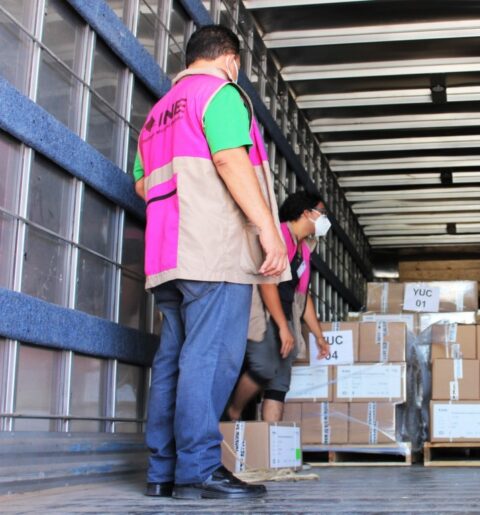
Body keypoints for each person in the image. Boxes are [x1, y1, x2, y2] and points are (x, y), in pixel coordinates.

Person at [133, 25, 289, 500]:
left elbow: (142, 184)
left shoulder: (157, 115)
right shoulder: (220, 94)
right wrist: (267, 228)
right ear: (231, 60)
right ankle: (199, 469)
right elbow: (229, 160)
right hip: (212, 250)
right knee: (211, 357)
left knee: (173, 361)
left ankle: (162, 471)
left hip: (167, 254)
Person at [227, 192, 332, 423]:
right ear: (306, 213)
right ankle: (232, 411)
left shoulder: (304, 248)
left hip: (286, 316)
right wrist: (283, 328)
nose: (326, 219)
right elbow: (267, 284)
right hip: (264, 315)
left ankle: (271, 439)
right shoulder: (280, 236)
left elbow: (302, 297)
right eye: (322, 213)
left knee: (280, 382)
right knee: (265, 367)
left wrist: (319, 336)